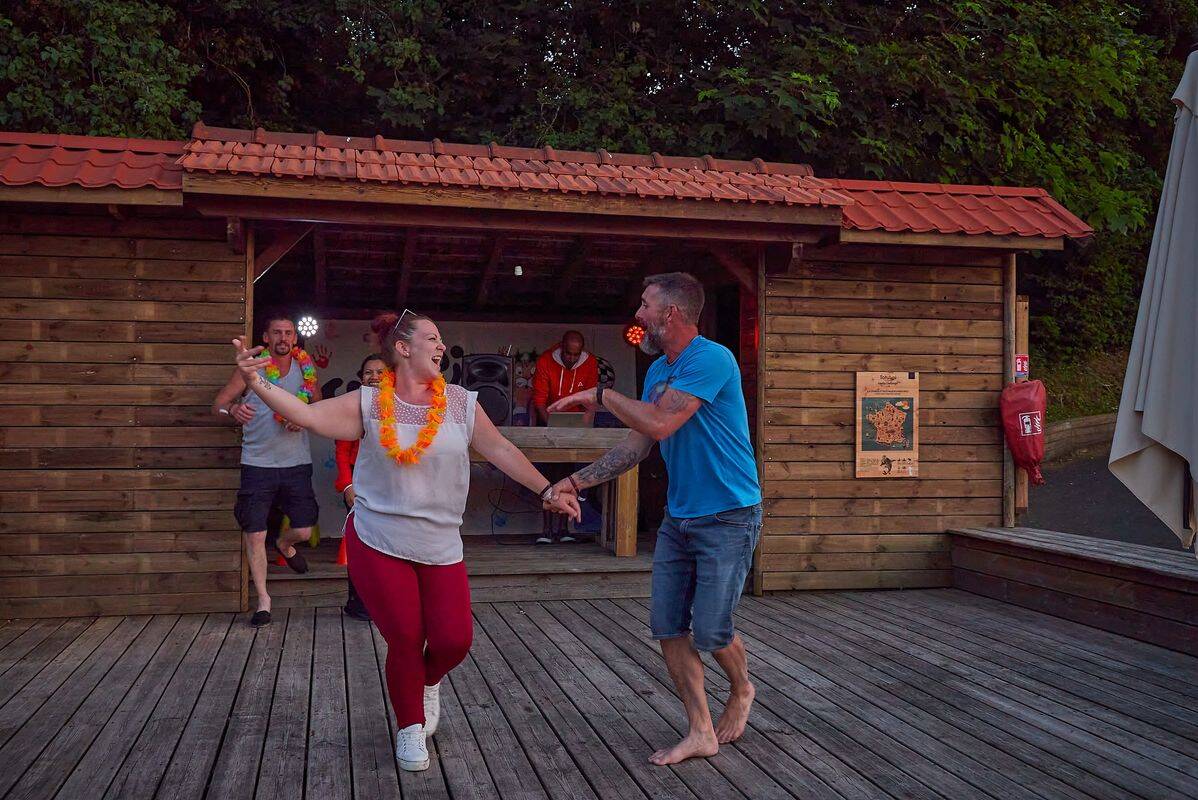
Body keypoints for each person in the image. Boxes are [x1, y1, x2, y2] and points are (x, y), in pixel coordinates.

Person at [231, 310, 580, 772]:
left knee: (454, 641)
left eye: (441, 340)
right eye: (432, 338)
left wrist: (547, 490)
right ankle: (410, 726)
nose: (441, 346)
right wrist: (255, 382)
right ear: (402, 348)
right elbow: (306, 415)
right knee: (406, 638)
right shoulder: (369, 402)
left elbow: (500, 449)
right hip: (379, 539)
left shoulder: (460, 402)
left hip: (440, 544)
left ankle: (427, 681)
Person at [546, 272, 762, 766]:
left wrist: (601, 396)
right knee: (668, 626)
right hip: (678, 519)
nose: (638, 314)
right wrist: (575, 482)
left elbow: (662, 423)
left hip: (728, 516)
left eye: (645, 305)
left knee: (712, 630)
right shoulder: (658, 372)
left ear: (671, 313)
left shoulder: (712, 358)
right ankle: (700, 731)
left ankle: (742, 688)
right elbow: (638, 444)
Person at [213, 312, 322, 628]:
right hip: (257, 464)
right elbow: (218, 405)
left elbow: (318, 404)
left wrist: (304, 417)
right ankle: (264, 601)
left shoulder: (305, 367)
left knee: (304, 529)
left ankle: (285, 544)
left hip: (296, 462)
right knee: (255, 532)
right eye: (277, 332)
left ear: (295, 338)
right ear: (266, 337)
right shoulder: (252, 368)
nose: (283, 338)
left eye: (288, 333)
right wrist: (233, 409)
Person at [531, 330, 599, 544]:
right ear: (561, 348)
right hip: (548, 424)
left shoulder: (590, 363)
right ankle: (546, 530)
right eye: (568, 353)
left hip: (576, 427)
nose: (571, 358)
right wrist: (553, 426)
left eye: (575, 355)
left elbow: (591, 401)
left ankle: (564, 529)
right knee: (547, 477)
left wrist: (585, 428)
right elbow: (539, 401)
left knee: (568, 477)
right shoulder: (545, 361)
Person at [334, 353, 387, 621]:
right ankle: (359, 604)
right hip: (359, 481)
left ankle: (388, 602)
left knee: (388, 546)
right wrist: (347, 487)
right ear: (361, 378)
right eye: (368, 372)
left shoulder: (401, 405)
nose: (374, 377)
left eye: (380, 372)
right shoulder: (353, 407)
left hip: (390, 482)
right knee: (360, 547)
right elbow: (342, 451)